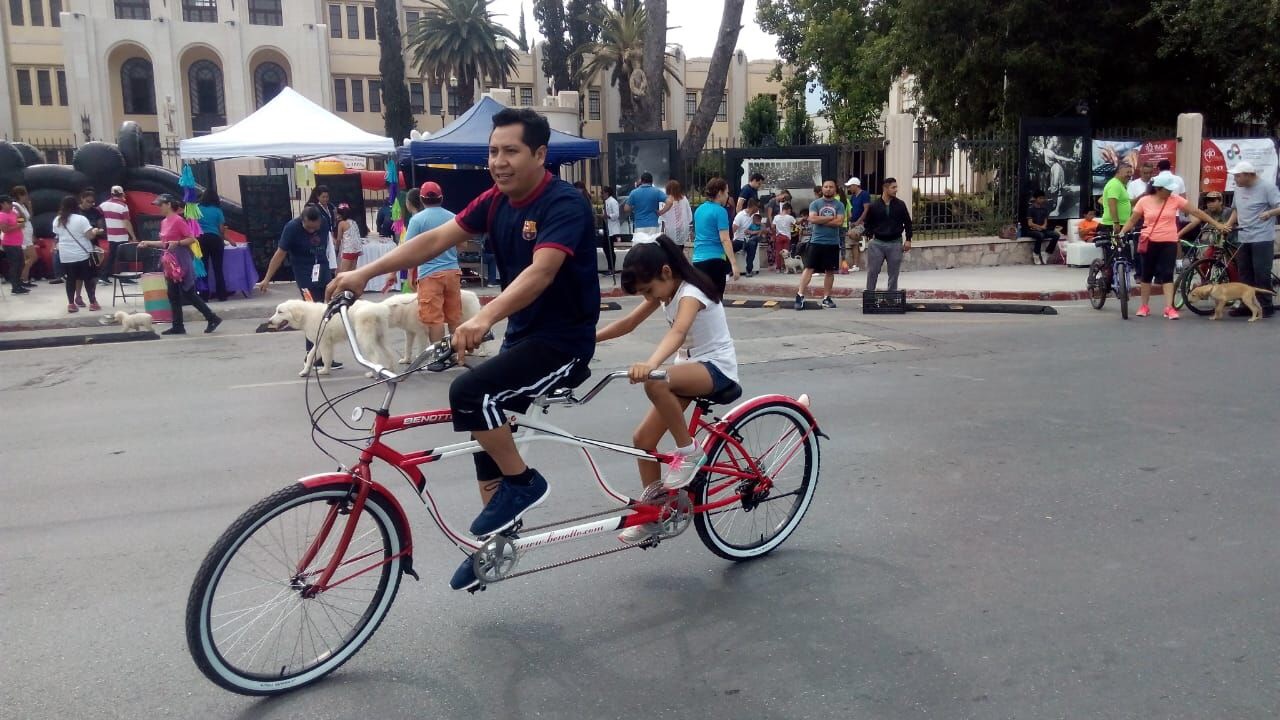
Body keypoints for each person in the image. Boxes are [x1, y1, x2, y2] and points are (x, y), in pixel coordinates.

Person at [327, 108, 601, 591]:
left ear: (539, 154)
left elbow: (542, 271)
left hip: (563, 343)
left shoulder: (563, 204)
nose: (499, 161)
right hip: (524, 336)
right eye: (493, 151)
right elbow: (434, 239)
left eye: (511, 151)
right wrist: (363, 274)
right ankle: (495, 543)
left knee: (470, 394)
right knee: (486, 432)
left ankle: (524, 484)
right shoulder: (495, 201)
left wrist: (483, 317)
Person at [594, 235, 738, 542]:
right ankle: (653, 514)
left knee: (654, 381)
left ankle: (689, 452)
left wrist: (652, 364)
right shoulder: (666, 291)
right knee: (642, 439)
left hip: (716, 369)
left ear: (666, 272)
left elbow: (679, 331)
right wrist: (587, 341)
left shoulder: (691, 293)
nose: (651, 298)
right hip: (689, 370)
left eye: (650, 290)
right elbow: (627, 324)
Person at [1119, 174, 1228, 319]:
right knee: (1146, 275)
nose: (1170, 192)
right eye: (1168, 190)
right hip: (1149, 241)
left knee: (1167, 274)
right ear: (1158, 189)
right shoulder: (1144, 201)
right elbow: (1133, 220)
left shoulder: (1175, 199)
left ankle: (1169, 307)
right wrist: (1122, 232)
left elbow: (1196, 212)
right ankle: (1144, 306)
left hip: (1169, 241)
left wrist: (1217, 224)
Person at [257, 206, 342, 369]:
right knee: (310, 313)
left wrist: (334, 268)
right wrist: (267, 278)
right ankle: (312, 356)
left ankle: (326, 356)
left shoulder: (323, 222)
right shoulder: (291, 228)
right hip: (304, 275)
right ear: (302, 221)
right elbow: (280, 254)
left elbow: (329, 246)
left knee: (326, 312)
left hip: (322, 271)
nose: (312, 230)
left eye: (315, 227)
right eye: (309, 227)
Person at [138, 195, 222, 334]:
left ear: (169, 204)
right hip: (170, 262)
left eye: (161, 205)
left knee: (188, 293)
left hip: (181, 261)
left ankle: (211, 317)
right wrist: (147, 242)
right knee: (173, 294)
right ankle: (179, 325)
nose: (159, 208)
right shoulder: (164, 222)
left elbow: (191, 239)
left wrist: (177, 243)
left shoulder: (178, 221)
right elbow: (165, 243)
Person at [408, 181, 461, 365]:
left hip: (430, 274)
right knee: (454, 316)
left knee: (435, 319)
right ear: (441, 198)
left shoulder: (417, 220)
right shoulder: (453, 217)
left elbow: (409, 249)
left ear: (421, 199)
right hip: (453, 272)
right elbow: (462, 244)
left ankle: (439, 357)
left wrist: (409, 274)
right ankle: (456, 354)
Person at [1225, 160, 1280, 318]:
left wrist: (1269, 213)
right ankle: (1246, 304)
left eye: (1238, 176)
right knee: (1244, 273)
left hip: (1262, 237)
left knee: (1261, 273)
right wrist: (1228, 224)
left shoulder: (1267, 187)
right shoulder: (1239, 189)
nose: (1235, 179)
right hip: (1243, 236)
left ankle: (1265, 305)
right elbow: (1236, 210)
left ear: (1249, 175)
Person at [793, 180, 845, 310]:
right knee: (809, 268)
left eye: (831, 187)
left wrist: (821, 220)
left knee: (829, 271)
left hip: (832, 243)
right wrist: (830, 219)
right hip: (816, 242)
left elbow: (839, 222)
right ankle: (800, 295)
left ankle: (826, 298)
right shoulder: (815, 203)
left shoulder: (839, 205)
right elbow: (812, 219)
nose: (828, 189)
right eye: (826, 187)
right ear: (822, 189)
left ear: (835, 189)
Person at [49, 195, 104, 309]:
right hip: (82, 254)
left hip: (65, 255)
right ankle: (93, 303)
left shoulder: (57, 220)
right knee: (88, 278)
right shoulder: (81, 219)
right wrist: (95, 231)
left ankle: (71, 304)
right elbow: (89, 236)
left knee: (70, 279)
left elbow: (57, 235)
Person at [863, 177, 914, 293]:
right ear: (885, 188)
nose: (896, 190)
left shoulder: (900, 205)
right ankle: (870, 296)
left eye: (896, 187)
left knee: (893, 273)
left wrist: (908, 239)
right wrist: (870, 238)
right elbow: (868, 223)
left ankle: (891, 298)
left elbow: (908, 223)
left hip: (895, 243)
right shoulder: (874, 205)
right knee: (872, 271)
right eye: (893, 187)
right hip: (877, 243)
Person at [691, 178, 739, 298]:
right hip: (715, 260)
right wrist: (733, 263)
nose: (727, 196)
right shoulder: (720, 211)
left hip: (697, 260)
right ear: (719, 193)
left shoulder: (699, 210)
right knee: (716, 300)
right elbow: (725, 239)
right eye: (726, 192)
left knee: (701, 298)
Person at [99, 185, 137, 286]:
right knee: (124, 257)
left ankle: (104, 276)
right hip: (122, 235)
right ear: (122, 193)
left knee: (112, 256)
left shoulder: (103, 205)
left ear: (111, 194)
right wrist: (133, 236)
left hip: (111, 235)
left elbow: (98, 215)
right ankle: (124, 278)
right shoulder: (123, 206)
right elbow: (126, 223)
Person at [195, 188, 228, 301]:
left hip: (201, 240)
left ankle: (204, 295)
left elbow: (193, 226)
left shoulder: (197, 209)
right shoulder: (218, 210)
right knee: (218, 268)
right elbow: (221, 229)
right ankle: (222, 295)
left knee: (203, 268)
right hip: (215, 239)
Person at [75, 189, 105, 306]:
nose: (90, 204)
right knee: (79, 274)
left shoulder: (95, 212)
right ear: (82, 199)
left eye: (92, 202)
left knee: (94, 273)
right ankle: (78, 296)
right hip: (80, 245)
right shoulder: (76, 212)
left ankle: (92, 296)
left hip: (93, 244)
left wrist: (97, 231)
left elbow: (101, 228)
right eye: (88, 201)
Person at [1024, 191, 1062, 265]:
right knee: (1040, 235)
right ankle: (1036, 254)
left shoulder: (1044, 209)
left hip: (1042, 229)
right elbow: (1030, 223)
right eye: (1040, 198)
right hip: (1031, 230)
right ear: (1035, 199)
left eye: (1043, 198)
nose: (1042, 200)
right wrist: (1039, 227)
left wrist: (1043, 226)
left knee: (1056, 235)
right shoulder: (1031, 209)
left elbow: (1045, 221)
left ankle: (1047, 253)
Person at [0, 194, 27, 294]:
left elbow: (22, 221)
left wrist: (19, 212)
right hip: (10, 244)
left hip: (17, 243)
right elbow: (4, 229)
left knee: (21, 264)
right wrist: (18, 226)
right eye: (8, 203)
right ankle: (15, 287)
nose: (11, 204)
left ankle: (19, 284)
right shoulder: (2, 215)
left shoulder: (12, 212)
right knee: (15, 265)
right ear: (2, 204)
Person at [10, 186, 37, 288]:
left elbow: (29, 217)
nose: (26, 196)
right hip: (22, 234)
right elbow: (20, 220)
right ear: (19, 195)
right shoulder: (15, 206)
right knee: (33, 257)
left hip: (28, 234)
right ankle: (22, 277)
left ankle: (24, 279)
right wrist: (22, 214)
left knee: (26, 258)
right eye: (24, 194)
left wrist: (29, 206)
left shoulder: (23, 205)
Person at [844, 177, 870, 271]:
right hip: (853, 223)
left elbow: (866, 209)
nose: (849, 188)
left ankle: (861, 238)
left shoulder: (864, 194)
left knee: (851, 234)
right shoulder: (853, 197)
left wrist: (859, 221)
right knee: (853, 244)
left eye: (850, 186)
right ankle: (855, 266)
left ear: (855, 185)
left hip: (861, 223)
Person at [732, 198, 760, 276]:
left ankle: (749, 270)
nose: (758, 208)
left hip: (750, 240)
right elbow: (734, 228)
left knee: (752, 244)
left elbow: (760, 227)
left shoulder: (756, 216)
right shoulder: (740, 215)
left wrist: (754, 232)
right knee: (729, 248)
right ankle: (729, 269)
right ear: (753, 206)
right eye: (757, 206)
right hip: (739, 240)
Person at [662, 180, 692, 255]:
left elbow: (663, 217)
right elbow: (689, 215)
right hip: (683, 228)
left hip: (671, 229)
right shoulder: (684, 199)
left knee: (671, 252)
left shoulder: (666, 200)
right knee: (680, 250)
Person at [335, 203, 362, 274]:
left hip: (348, 251)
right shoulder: (354, 222)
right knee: (352, 273)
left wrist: (336, 248)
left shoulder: (342, 224)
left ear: (340, 214)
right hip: (356, 250)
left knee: (342, 274)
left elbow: (338, 239)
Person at [601, 186, 621, 276]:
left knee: (609, 248)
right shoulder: (605, 202)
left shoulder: (613, 202)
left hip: (612, 228)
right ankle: (610, 267)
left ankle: (612, 268)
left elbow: (616, 214)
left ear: (607, 193)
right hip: (606, 226)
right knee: (606, 247)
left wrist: (608, 216)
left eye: (602, 193)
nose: (601, 195)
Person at [771, 202, 796, 272]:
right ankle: (785, 267)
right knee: (786, 254)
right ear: (788, 209)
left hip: (778, 236)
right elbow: (796, 223)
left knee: (778, 253)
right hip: (787, 237)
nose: (790, 212)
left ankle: (778, 268)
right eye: (790, 211)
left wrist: (774, 235)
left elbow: (772, 227)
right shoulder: (790, 217)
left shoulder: (776, 217)